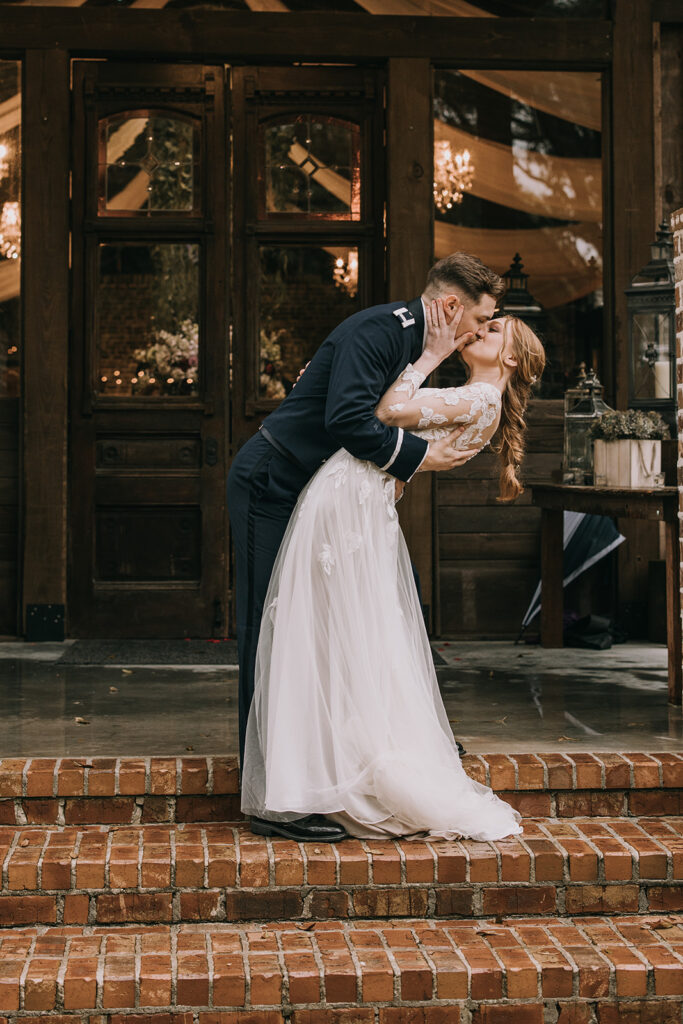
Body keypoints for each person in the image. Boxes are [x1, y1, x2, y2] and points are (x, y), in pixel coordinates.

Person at [227, 252, 504, 843]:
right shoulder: (381, 330)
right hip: (272, 482)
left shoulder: (417, 346)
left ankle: (349, 754)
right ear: (450, 307)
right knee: (269, 624)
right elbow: (351, 418)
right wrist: (420, 458)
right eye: (480, 320)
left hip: (322, 500)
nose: (482, 333)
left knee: (327, 629)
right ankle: (270, 797)